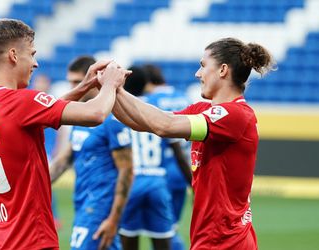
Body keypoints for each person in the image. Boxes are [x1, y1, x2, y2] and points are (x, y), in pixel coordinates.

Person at [0, 18, 129, 250]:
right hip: (30, 239)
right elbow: (96, 114)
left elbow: (35, 114)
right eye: (31, 54)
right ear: (13, 55)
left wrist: (83, 87)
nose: (36, 63)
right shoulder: (22, 102)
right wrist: (111, 83)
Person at [111, 38, 275, 249]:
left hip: (227, 241)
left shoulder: (236, 115)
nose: (198, 74)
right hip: (211, 238)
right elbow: (142, 123)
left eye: (203, 65)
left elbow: (164, 126)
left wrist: (118, 89)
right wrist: (110, 91)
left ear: (223, 70)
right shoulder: (202, 110)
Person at [49, 56, 134, 250]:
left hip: (99, 207)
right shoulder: (80, 119)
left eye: (77, 82)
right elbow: (64, 160)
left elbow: (127, 170)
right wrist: (34, 186)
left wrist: (113, 219)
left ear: (97, 79)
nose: (74, 88)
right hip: (82, 202)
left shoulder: (111, 120)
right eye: (70, 82)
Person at [118, 66, 175, 250]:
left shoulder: (120, 110)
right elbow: (177, 149)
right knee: (163, 241)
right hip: (157, 179)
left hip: (131, 181)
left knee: (128, 239)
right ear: (146, 85)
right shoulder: (157, 109)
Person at [141, 64, 192, 250]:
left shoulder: (150, 101)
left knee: (162, 230)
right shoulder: (185, 98)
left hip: (160, 172)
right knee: (172, 226)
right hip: (183, 171)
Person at [32, 73, 62, 229]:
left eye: (43, 82)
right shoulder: (30, 100)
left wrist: (57, 147)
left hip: (47, 150)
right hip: (33, 149)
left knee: (46, 183)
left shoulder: (50, 102)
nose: (41, 85)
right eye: (39, 82)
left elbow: (60, 128)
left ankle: (52, 216)